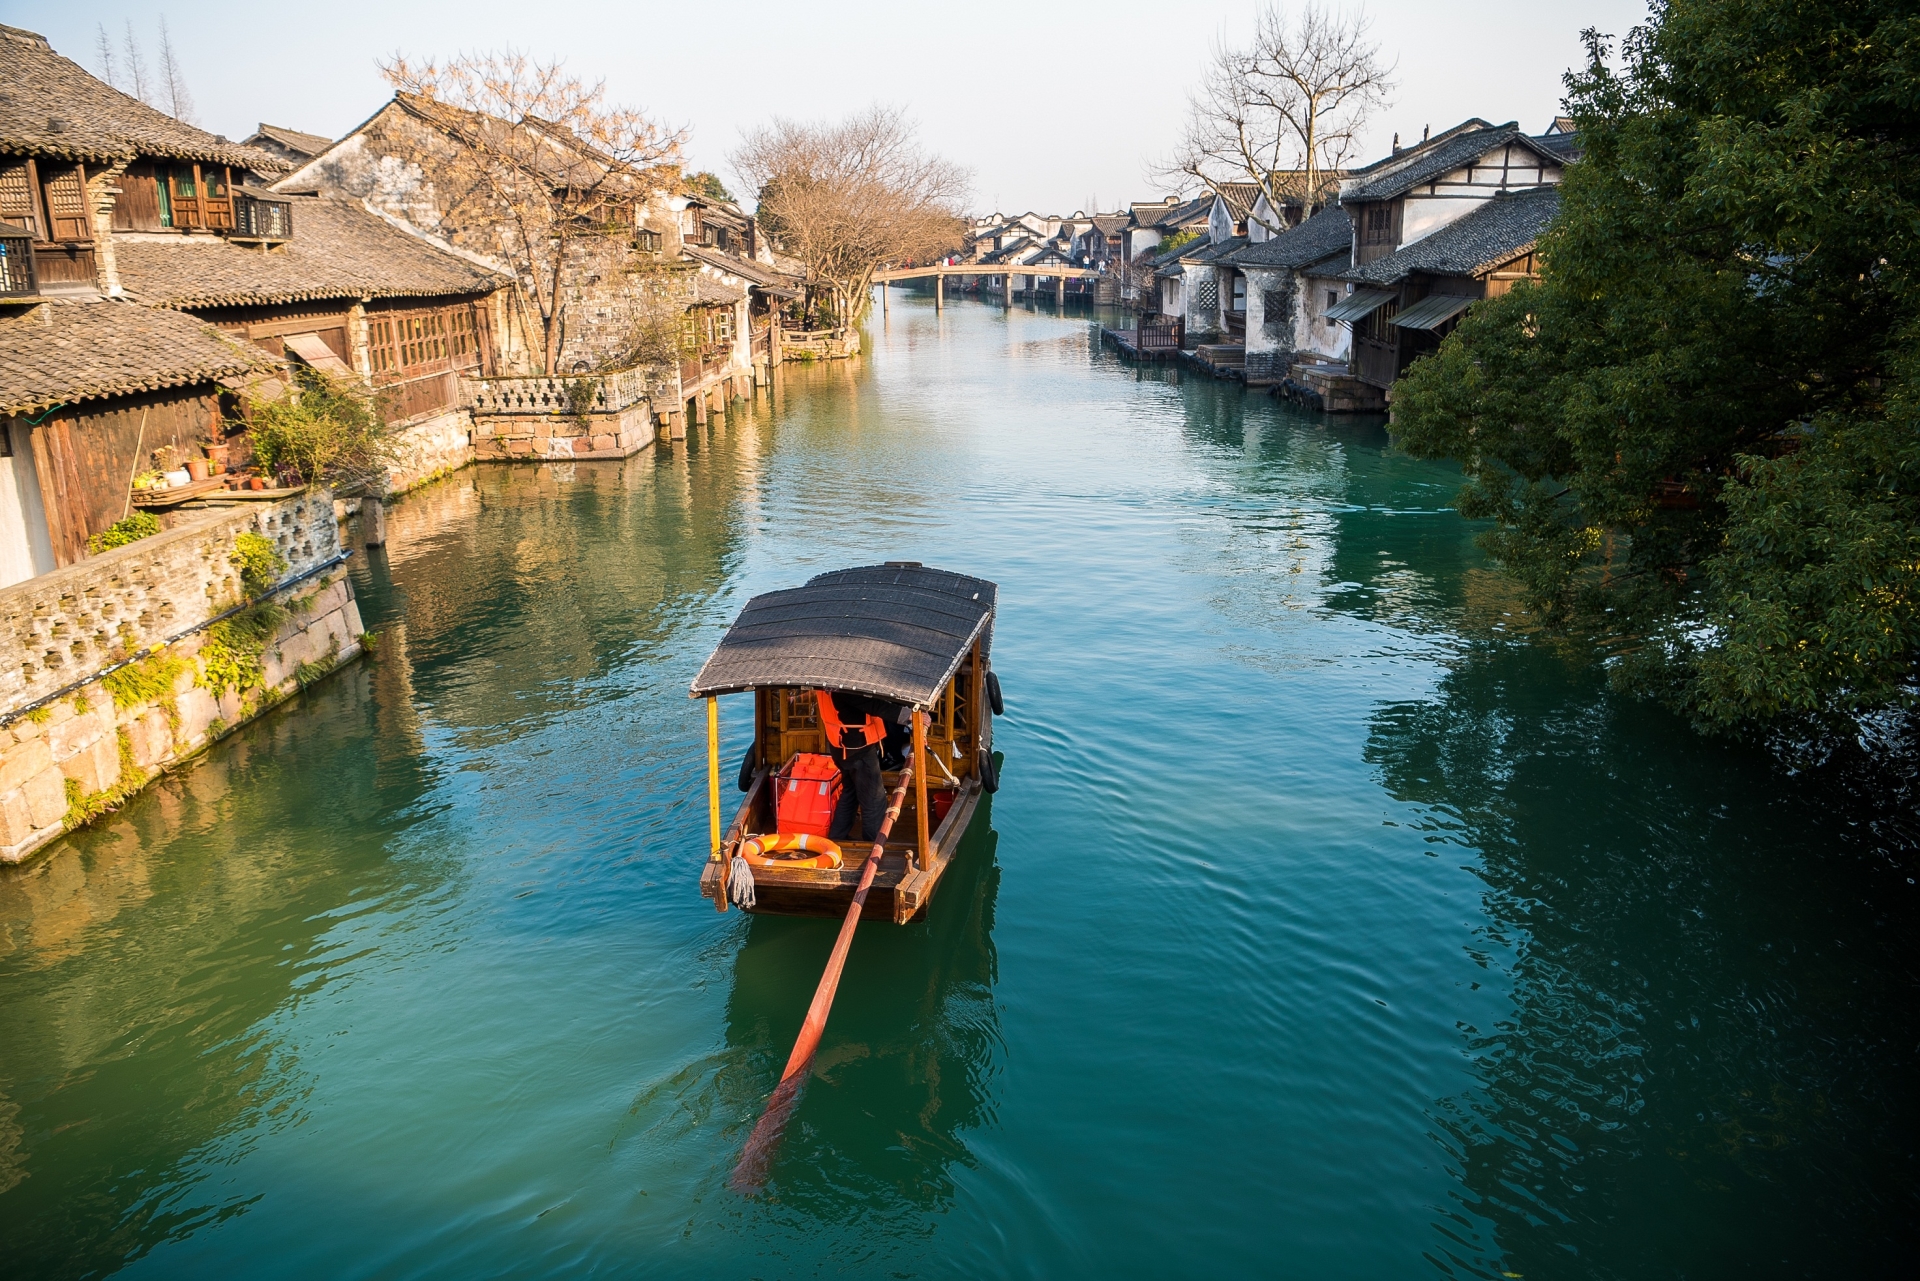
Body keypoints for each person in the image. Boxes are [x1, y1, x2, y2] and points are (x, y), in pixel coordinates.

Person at [814, 688, 910, 844]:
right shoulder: (843, 689)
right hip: (858, 750)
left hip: (839, 747)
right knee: (874, 799)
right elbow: (874, 705)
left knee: (850, 794)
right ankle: (874, 845)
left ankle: (837, 838)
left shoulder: (825, 685)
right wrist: (909, 715)